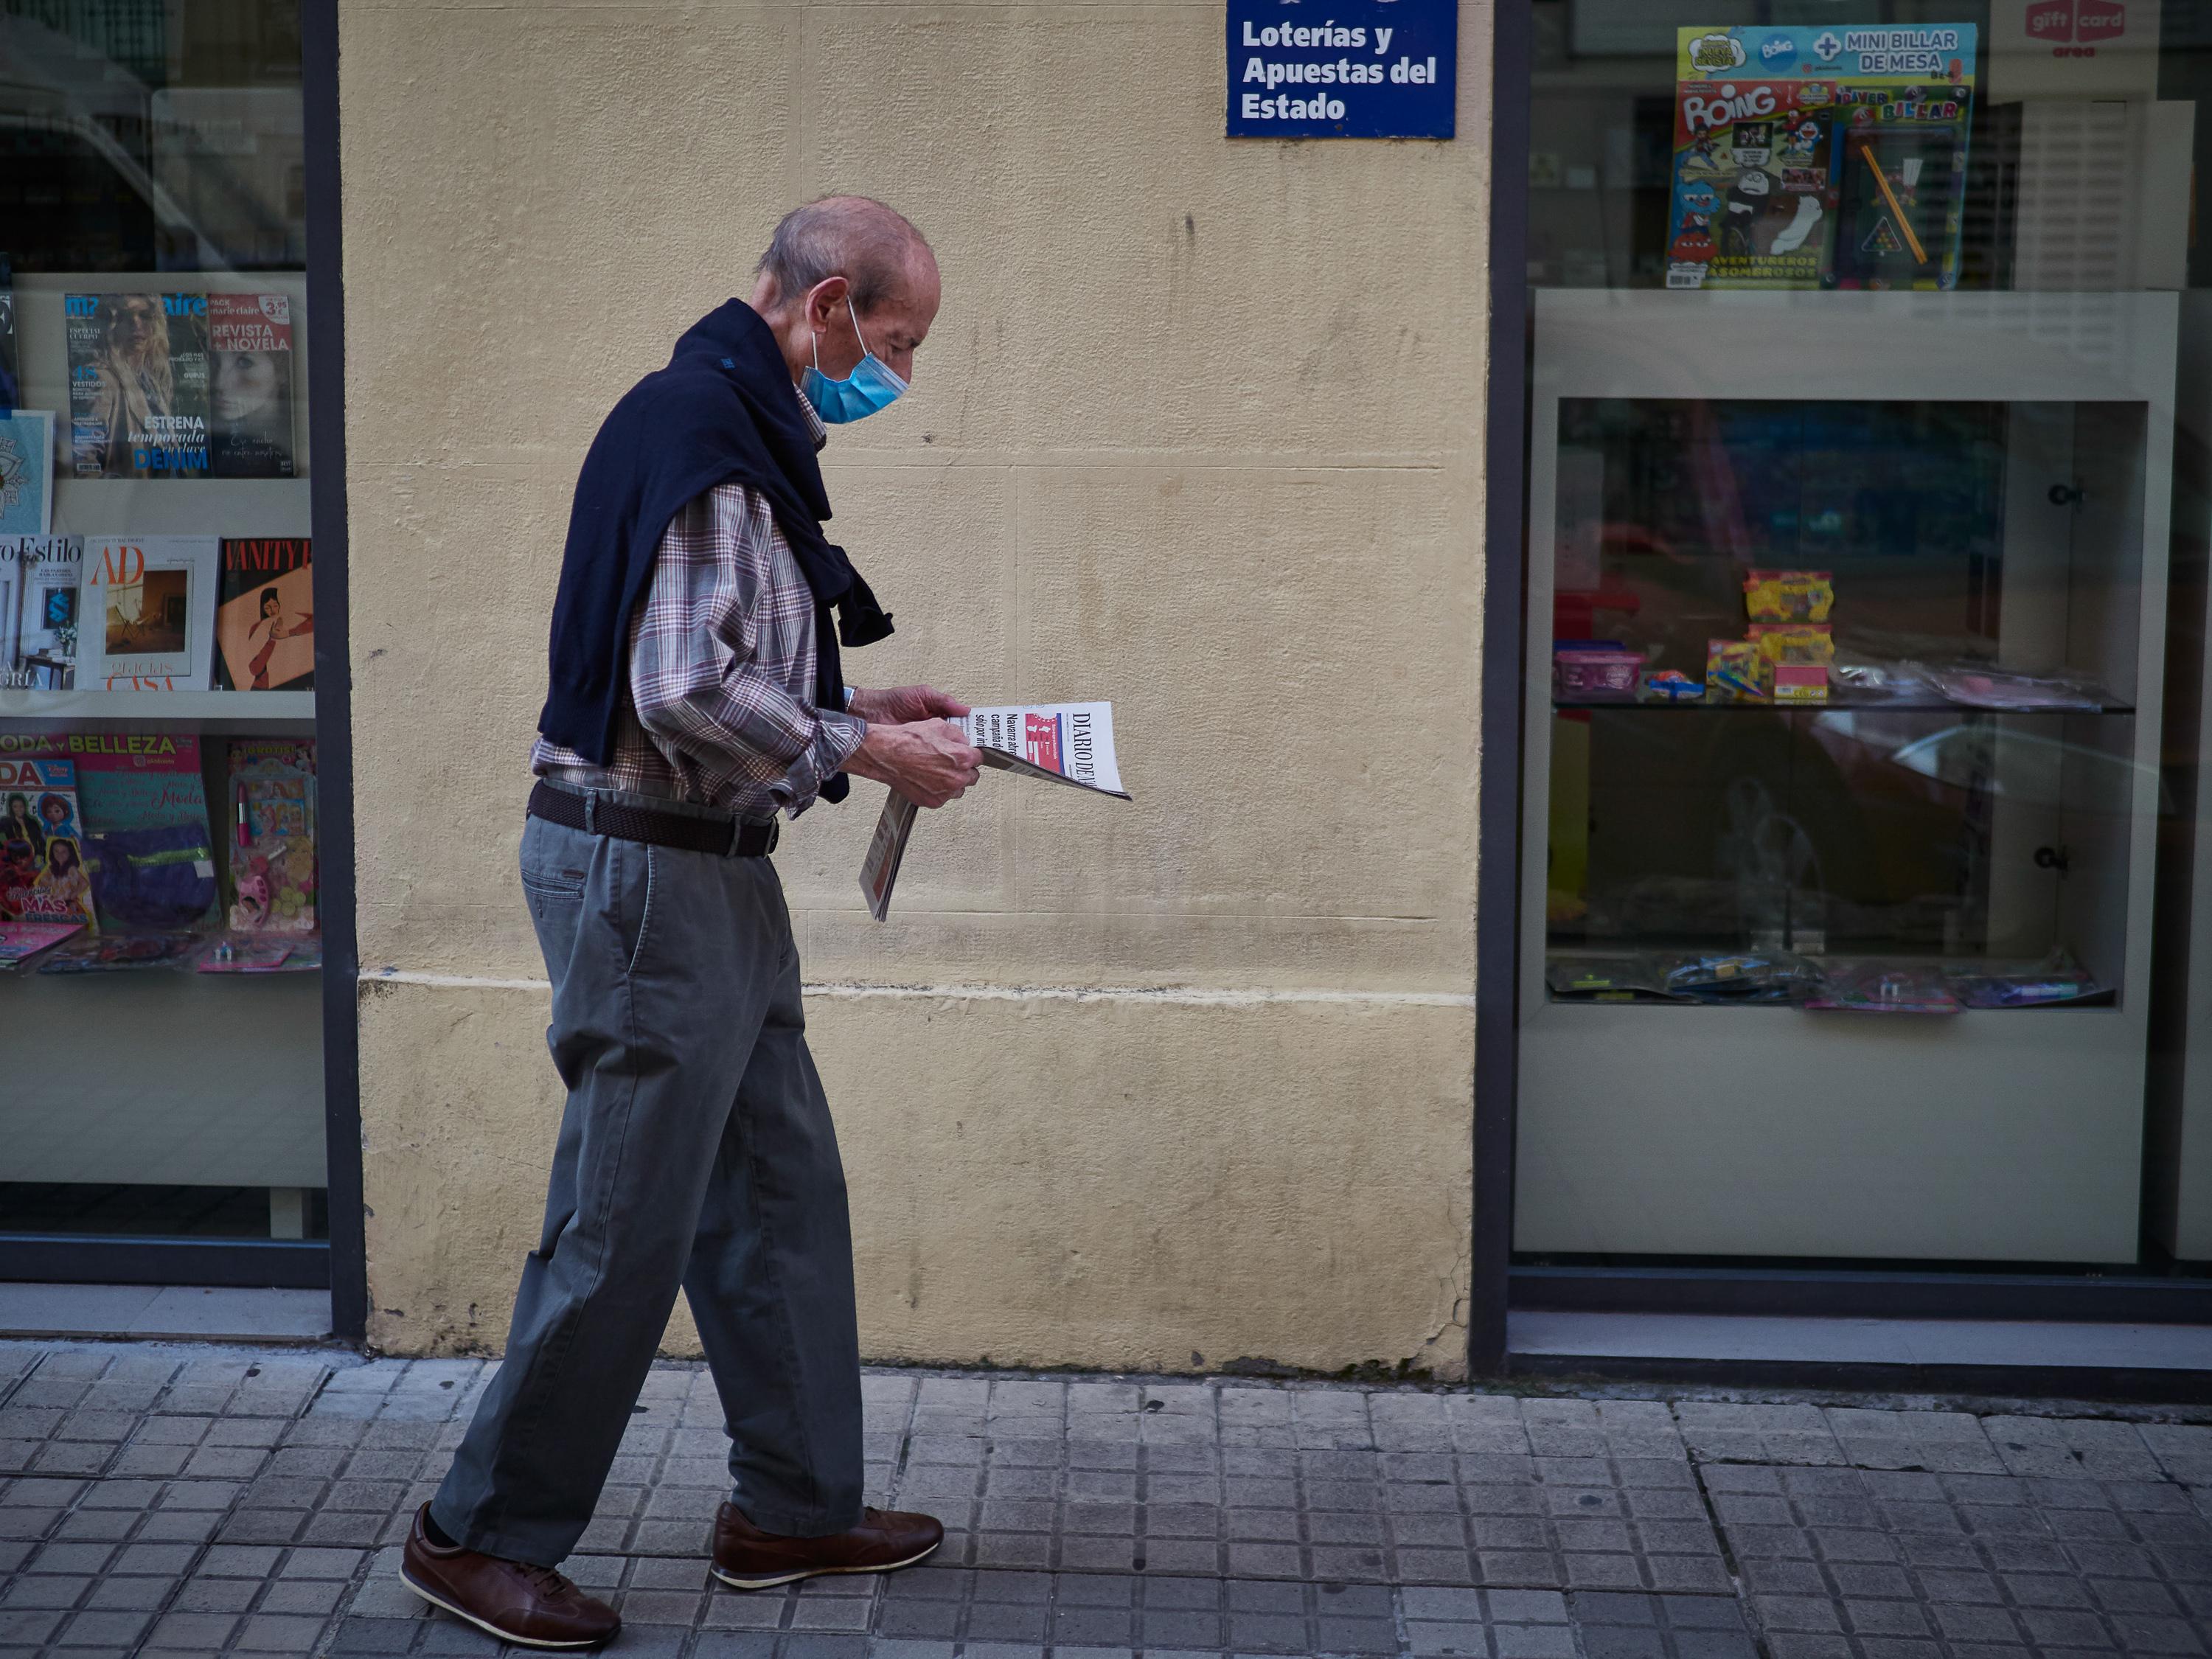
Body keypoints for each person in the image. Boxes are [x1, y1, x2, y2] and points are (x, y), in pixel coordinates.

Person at [401, 195, 981, 1652]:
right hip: (651, 873)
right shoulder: (714, 436)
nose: (895, 375)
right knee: (623, 1226)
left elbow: (716, 679)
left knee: (778, 1192)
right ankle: (478, 1537)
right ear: (830, 301)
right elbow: (681, 695)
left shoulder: (719, 418)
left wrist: (860, 712)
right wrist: (859, 754)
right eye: (894, 342)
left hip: (703, 864)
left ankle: (791, 1505)